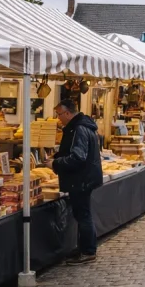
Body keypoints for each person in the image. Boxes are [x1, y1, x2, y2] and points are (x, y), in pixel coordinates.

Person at [49, 99, 104, 265]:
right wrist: (58, 157)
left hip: (81, 179)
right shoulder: (83, 126)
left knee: (83, 215)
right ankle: (84, 248)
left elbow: (78, 157)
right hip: (84, 178)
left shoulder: (79, 129)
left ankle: (88, 251)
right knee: (82, 214)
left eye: (59, 114)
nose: (58, 118)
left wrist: (56, 163)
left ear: (67, 113)